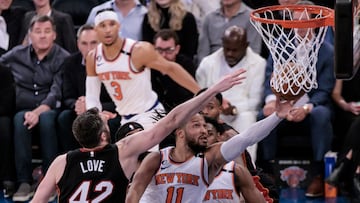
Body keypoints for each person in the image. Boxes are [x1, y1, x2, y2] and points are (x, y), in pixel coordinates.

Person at [30, 68, 246, 203]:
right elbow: (171, 120)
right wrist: (211, 90)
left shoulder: (61, 162)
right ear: (105, 135)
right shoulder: (123, 152)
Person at [125, 96, 303, 202]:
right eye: (196, 125)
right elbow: (134, 192)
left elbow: (246, 138)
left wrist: (277, 116)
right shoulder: (156, 159)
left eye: (204, 126)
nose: (203, 130)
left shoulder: (209, 159)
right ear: (180, 133)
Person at [257, 4, 336, 197]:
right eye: (296, 21)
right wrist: (270, 102)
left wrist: (307, 108)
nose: (300, 25)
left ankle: (318, 175)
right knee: (263, 114)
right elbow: (270, 76)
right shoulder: (279, 44)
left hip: (311, 107)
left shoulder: (326, 51)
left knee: (321, 114)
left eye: (305, 20)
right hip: (283, 103)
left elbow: (325, 89)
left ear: (315, 23)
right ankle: (267, 172)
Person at [86, 10, 200, 130]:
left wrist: (201, 93)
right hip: (125, 119)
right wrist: (96, 119)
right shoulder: (93, 57)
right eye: (102, 25)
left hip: (150, 114)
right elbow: (92, 96)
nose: (108, 30)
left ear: (119, 26)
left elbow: (171, 68)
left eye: (112, 24)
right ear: (95, 30)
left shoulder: (138, 50)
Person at [0, 15, 70, 202]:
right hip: (23, 108)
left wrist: (39, 112)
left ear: (54, 35)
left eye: (47, 31)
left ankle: (49, 177)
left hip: (49, 108)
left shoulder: (63, 57)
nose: (42, 36)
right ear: (30, 35)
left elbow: (56, 91)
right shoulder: (16, 54)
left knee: (47, 120)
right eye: (38, 31)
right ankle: (23, 181)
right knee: (18, 119)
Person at [196, 25, 266, 161]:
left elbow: (255, 102)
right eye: (227, 49)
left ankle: (247, 167)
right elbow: (199, 94)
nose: (229, 54)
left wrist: (233, 110)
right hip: (211, 112)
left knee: (247, 118)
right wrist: (217, 109)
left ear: (245, 46)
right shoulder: (207, 63)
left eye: (235, 50)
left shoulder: (259, 64)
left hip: (241, 113)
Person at [57, 24, 120, 152]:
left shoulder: (114, 63)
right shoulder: (70, 62)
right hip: (80, 111)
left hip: (106, 110)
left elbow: (118, 100)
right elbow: (67, 96)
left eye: (93, 43)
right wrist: (79, 104)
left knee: (112, 122)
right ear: (78, 44)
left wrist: (93, 107)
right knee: (64, 117)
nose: (89, 48)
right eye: (84, 43)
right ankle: (71, 159)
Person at [203, 117, 266, 203]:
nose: (205, 139)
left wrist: (277, 117)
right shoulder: (182, 169)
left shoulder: (236, 171)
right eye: (202, 135)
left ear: (218, 137)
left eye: (209, 134)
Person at [197, 0, 262, 64]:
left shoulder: (252, 17)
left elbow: (254, 52)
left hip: (242, 68)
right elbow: (202, 53)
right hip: (212, 68)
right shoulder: (209, 18)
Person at [152, 29, 196, 111]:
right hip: (155, 111)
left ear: (177, 49)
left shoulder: (186, 64)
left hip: (181, 109)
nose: (164, 55)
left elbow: (188, 95)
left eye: (169, 50)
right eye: (159, 50)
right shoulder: (149, 67)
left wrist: (167, 71)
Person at [0, 62, 16, 198]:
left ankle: (7, 179)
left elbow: (7, 103)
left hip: (1, 114)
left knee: (4, 125)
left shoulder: (4, 72)